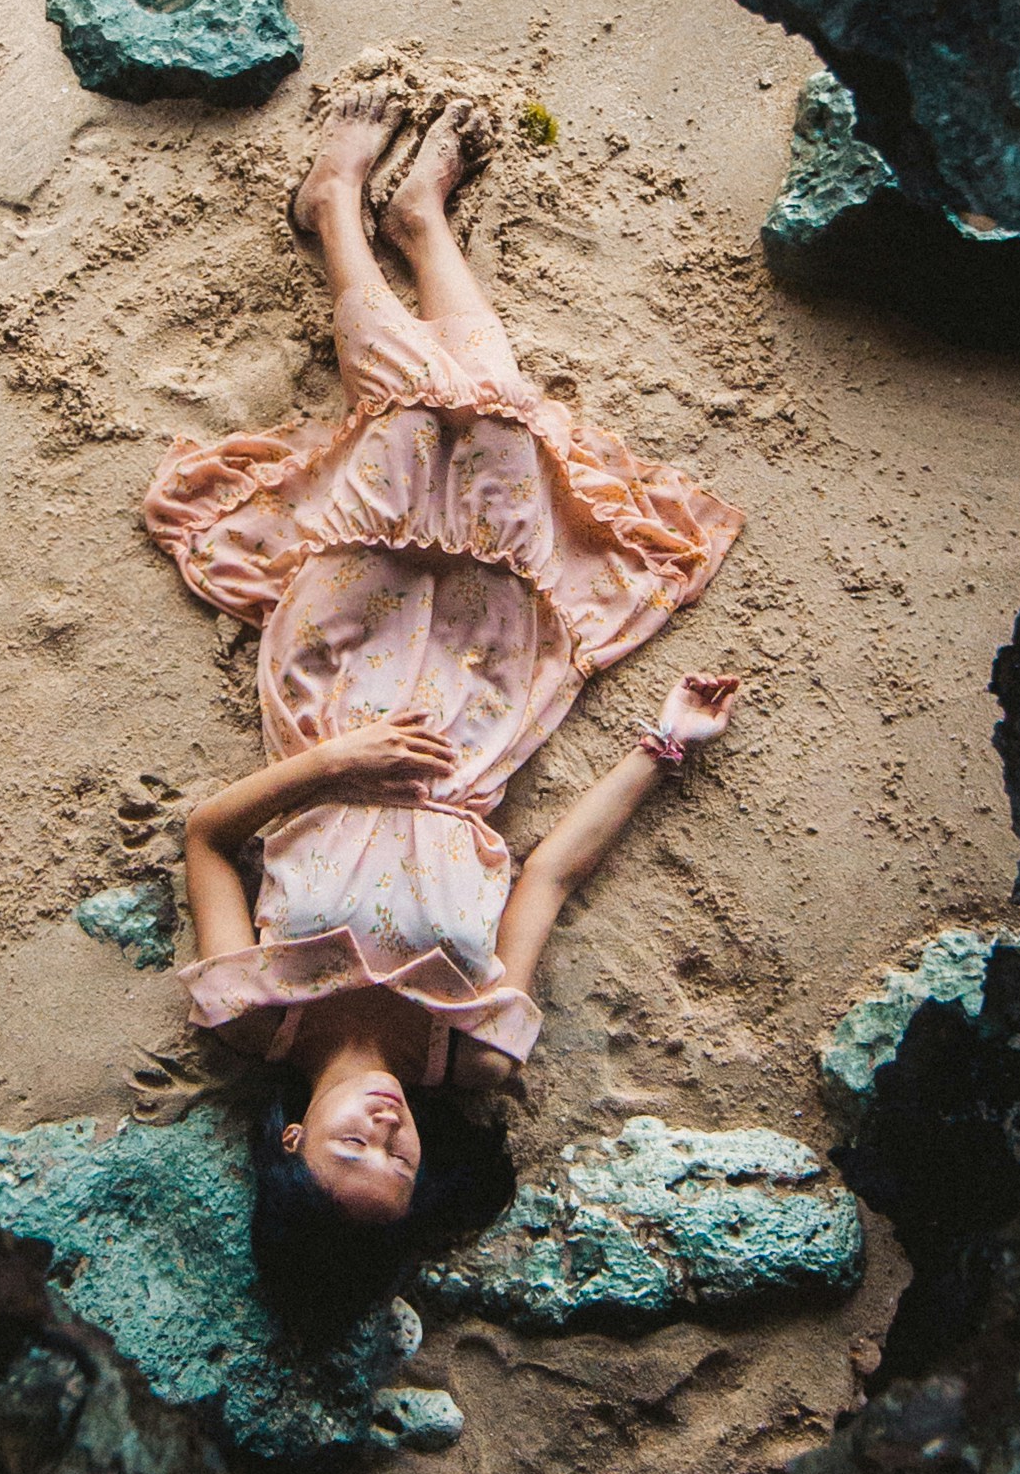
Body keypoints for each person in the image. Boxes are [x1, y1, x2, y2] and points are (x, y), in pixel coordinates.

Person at [145, 82, 746, 1308]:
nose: (385, 1130)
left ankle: (345, 217)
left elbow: (205, 834)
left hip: (332, 702)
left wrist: (338, 764)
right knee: (506, 457)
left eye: (351, 1149)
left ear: (292, 1146)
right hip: (482, 723)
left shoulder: (244, 1010)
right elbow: (546, 879)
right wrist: (665, 747)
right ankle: (418, 220)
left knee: (419, 430)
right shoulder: (469, 1046)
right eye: (401, 1160)